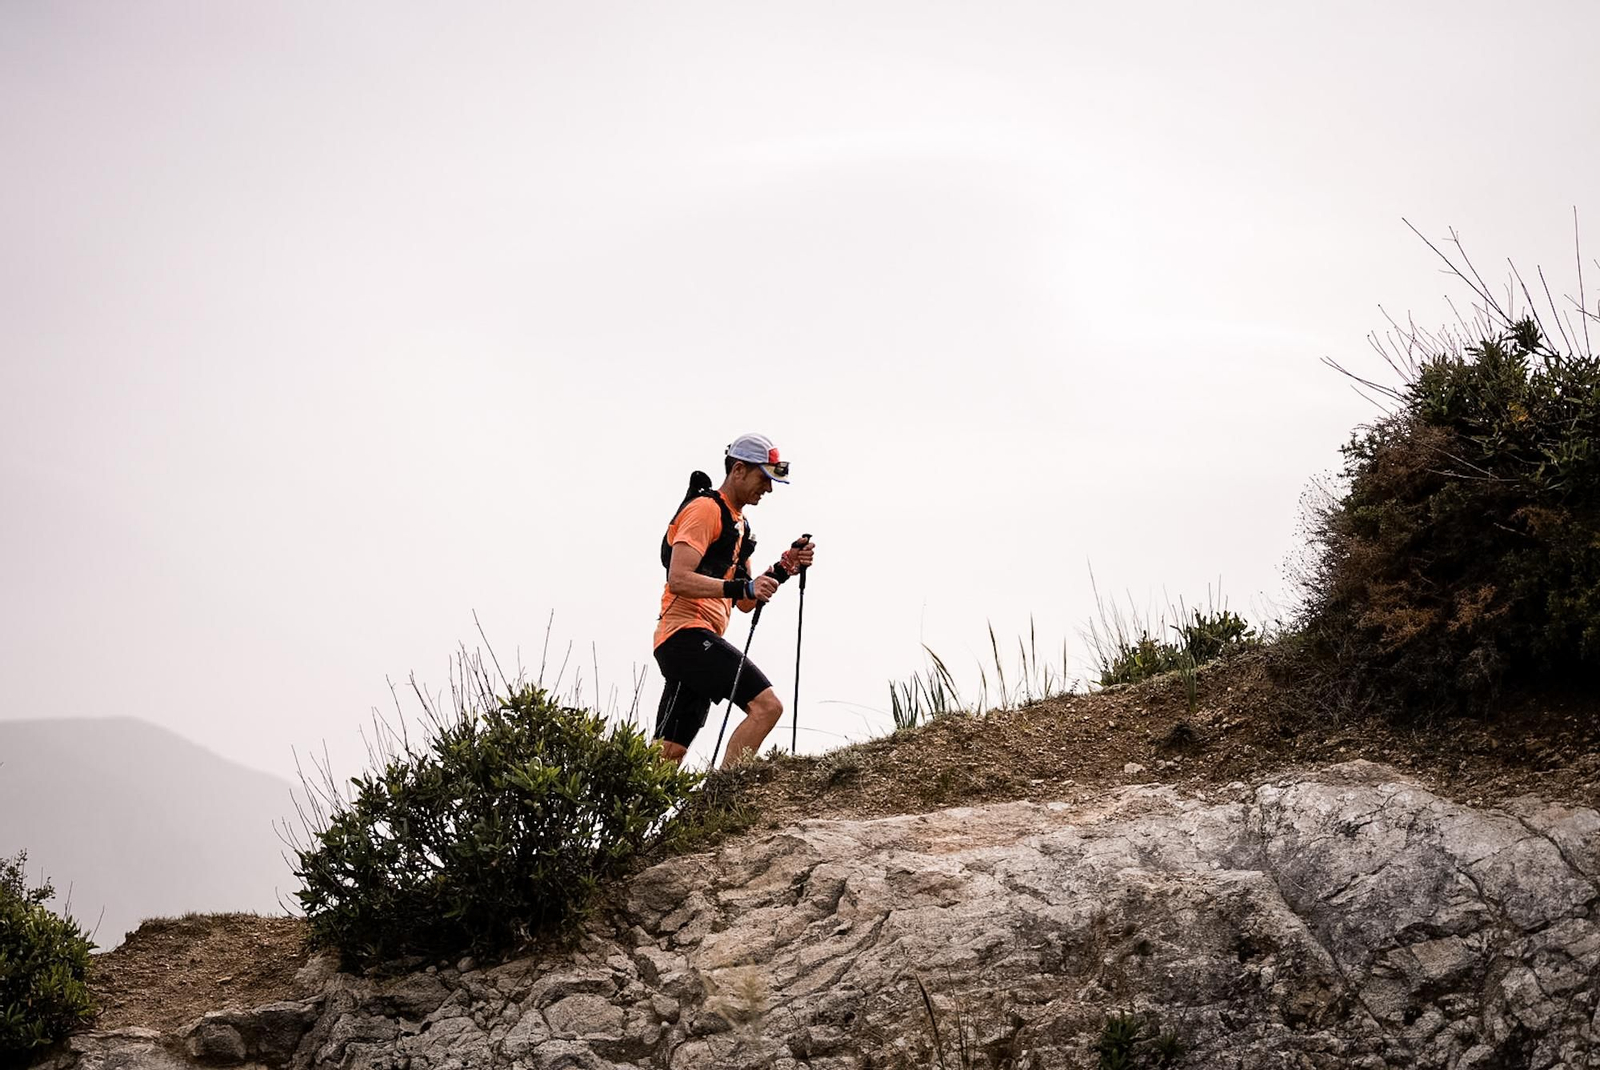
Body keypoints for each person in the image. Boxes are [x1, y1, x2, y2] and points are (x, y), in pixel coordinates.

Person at [653, 433, 815, 768]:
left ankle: (630, 818)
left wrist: (785, 567)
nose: (767, 489)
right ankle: (724, 800)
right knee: (767, 706)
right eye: (763, 478)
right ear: (738, 470)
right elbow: (679, 578)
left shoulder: (739, 526)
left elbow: (745, 601)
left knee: (667, 756)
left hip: (693, 640)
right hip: (685, 634)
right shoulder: (705, 510)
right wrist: (744, 589)